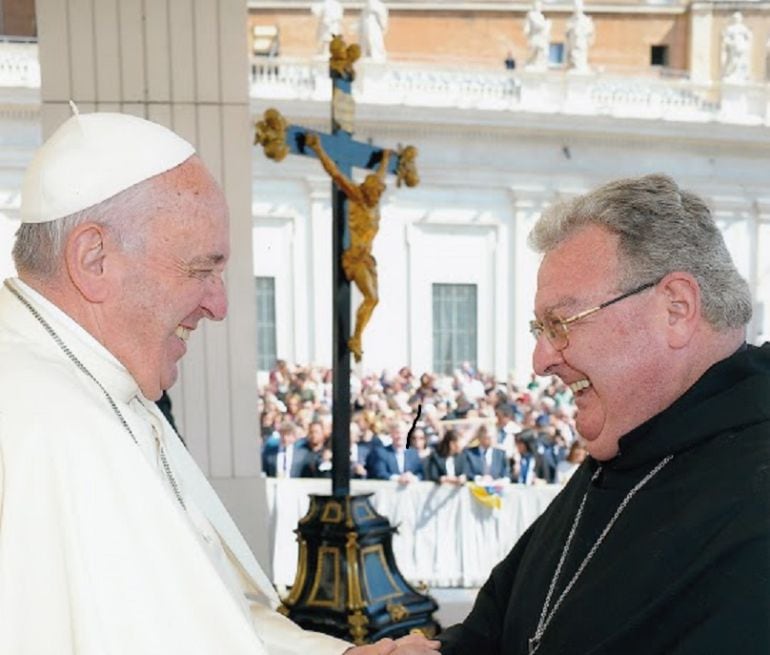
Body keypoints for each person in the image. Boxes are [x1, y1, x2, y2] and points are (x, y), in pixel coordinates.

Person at [0, 110, 441, 655]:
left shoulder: (91, 389)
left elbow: (200, 619)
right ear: (94, 259)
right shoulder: (54, 424)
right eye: (200, 270)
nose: (220, 305)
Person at [438, 173, 770, 654]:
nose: (541, 359)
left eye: (561, 324)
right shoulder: (628, 451)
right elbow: (499, 626)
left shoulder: (755, 504)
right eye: (540, 327)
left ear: (676, 309)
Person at [305, 132, 390, 362]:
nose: (377, 196)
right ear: (367, 189)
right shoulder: (358, 197)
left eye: (379, 193)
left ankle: (356, 337)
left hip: (367, 258)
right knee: (371, 298)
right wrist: (318, 149)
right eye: (375, 192)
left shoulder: (373, 203)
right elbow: (335, 173)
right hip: (353, 258)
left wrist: (384, 160)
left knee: (374, 299)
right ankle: (356, 338)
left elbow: (380, 175)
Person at [367, 418, 424, 482]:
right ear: (391, 434)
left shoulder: (413, 453)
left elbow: (421, 473)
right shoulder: (381, 452)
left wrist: (413, 478)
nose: (399, 436)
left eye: (402, 433)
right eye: (396, 433)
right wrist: (398, 478)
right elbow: (380, 473)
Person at [721, 11, 752, 82]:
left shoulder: (743, 28)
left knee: (741, 61)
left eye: (738, 18)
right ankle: (731, 74)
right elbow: (726, 39)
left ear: (741, 19)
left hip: (741, 47)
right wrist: (731, 43)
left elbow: (748, 37)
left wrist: (745, 45)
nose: (737, 19)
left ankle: (741, 75)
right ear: (733, 19)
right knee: (733, 61)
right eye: (735, 18)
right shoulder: (730, 28)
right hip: (733, 47)